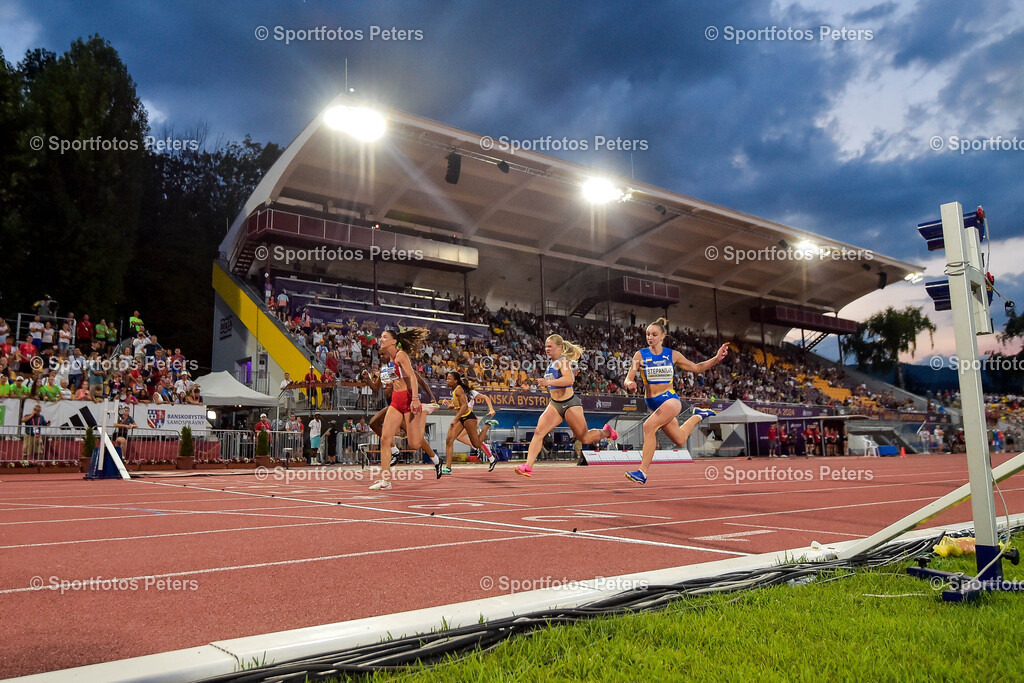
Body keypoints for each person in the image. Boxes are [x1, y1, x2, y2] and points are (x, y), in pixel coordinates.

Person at [621, 318, 726, 484]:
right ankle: (698, 415)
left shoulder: (673, 355)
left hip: (669, 400)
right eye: (648, 334)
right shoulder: (640, 355)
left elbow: (697, 368)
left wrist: (716, 358)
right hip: (652, 403)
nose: (650, 337)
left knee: (648, 426)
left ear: (663, 336)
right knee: (680, 439)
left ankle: (642, 472)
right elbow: (628, 379)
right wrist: (630, 385)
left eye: (654, 334)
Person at [514, 335, 617, 478]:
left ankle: (607, 432)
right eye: (546, 346)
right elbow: (554, 382)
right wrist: (544, 383)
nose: (547, 349)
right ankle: (528, 466)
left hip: (570, 404)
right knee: (539, 432)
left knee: (585, 439)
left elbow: (569, 379)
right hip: (555, 405)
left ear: (560, 347)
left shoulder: (563, 361)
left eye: (550, 346)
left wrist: (548, 383)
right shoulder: (551, 363)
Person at [371, 327, 440, 490]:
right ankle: (385, 481)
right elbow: (388, 385)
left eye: (385, 337)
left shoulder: (401, 355)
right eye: (381, 337)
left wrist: (416, 399)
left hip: (409, 400)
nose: (381, 339)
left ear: (394, 341)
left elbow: (414, 379)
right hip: (396, 401)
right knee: (385, 439)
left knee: (415, 444)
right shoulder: (387, 365)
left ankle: (424, 411)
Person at [441, 371, 496, 473]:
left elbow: (465, 406)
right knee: (449, 440)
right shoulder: (455, 391)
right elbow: (459, 406)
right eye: (446, 379)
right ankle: (448, 468)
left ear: (456, 381)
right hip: (462, 418)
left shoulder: (460, 390)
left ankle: (487, 425)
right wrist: (450, 405)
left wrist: (455, 419)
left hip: (469, 418)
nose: (446, 381)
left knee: (476, 444)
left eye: (449, 379)